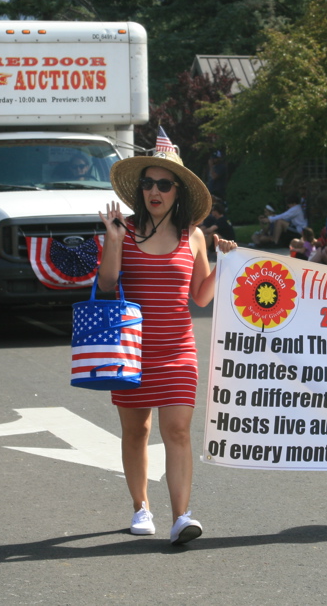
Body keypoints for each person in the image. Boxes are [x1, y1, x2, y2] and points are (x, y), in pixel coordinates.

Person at [97, 149, 236, 545]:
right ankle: (141, 506)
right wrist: (112, 240)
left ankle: (181, 517)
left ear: (178, 192)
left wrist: (225, 264)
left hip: (178, 347)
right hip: (130, 347)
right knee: (136, 430)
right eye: (147, 183)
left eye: (163, 184)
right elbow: (107, 284)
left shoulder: (192, 236)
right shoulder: (123, 227)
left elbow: (201, 296)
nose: (153, 191)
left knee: (177, 430)